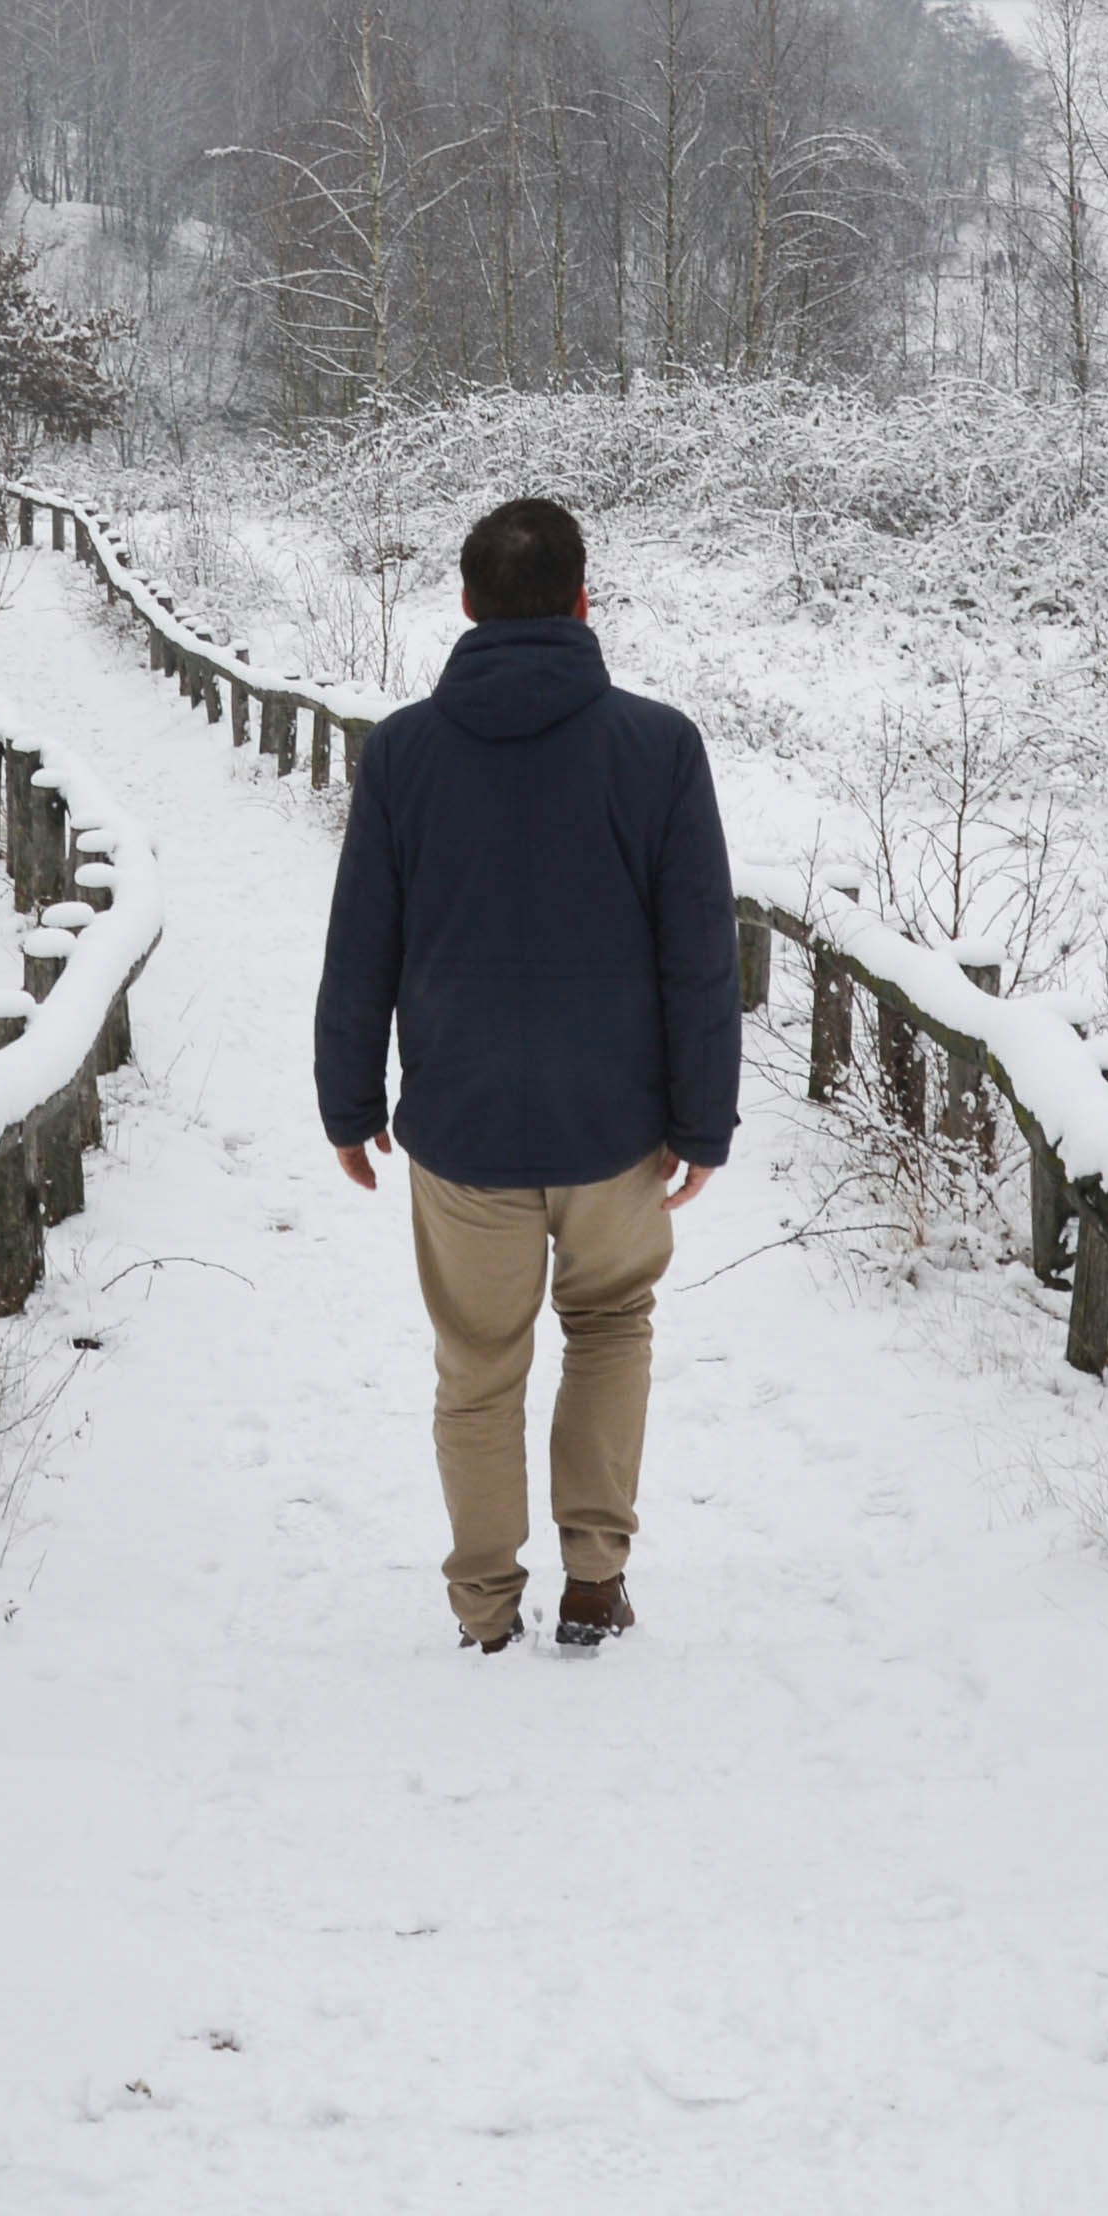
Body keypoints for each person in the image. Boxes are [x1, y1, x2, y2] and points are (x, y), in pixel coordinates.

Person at [312, 491, 741, 1653]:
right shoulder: (658, 747)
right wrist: (704, 1120)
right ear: (584, 600)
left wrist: (349, 1103)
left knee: (478, 1366)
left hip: (461, 1126)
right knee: (610, 1326)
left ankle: (484, 1608)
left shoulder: (403, 753)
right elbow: (700, 951)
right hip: (618, 1127)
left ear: (464, 605)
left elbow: (365, 943)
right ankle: (594, 1578)